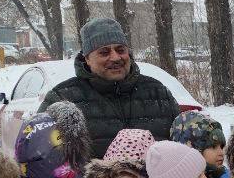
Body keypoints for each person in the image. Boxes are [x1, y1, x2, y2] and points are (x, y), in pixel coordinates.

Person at [42, 17, 179, 158]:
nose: (115, 57)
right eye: (104, 52)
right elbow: (42, 157)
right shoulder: (62, 99)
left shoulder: (158, 93)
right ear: (87, 59)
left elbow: (183, 151)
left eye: (120, 50)